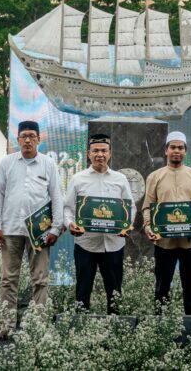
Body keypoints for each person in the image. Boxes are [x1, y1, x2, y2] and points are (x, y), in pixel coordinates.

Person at [0, 120, 64, 338]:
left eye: (32, 136)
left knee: (40, 280)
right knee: (8, 279)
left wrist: (56, 228)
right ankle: (7, 327)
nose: (28, 140)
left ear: (39, 139)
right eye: (24, 136)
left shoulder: (48, 164)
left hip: (39, 233)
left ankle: (38, 327)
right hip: (10, 228)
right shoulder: (7, 163)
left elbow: (57, 197)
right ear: (18, 140)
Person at [64, 133, 136, 314]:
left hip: (114, 244)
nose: (100, 155)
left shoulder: (120, 179)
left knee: (114, 291)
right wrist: (71, 224)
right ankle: (81, 329)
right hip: (85, 243)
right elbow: (67, 209)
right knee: (82, 290)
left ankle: (115, 329)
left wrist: (127, 224)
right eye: (95, 150)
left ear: (110, 153)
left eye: (104, 150)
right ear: (89, 154)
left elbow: (131, 207)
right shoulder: (78, 178)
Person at [143, 131, 191, 315]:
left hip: (190, 242)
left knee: (190, 285)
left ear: (185, 151)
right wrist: (149, 226)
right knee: (162, 287)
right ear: (166, 150)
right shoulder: (155, 177)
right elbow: (147, 207)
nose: (176, 151)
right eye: (173, 147)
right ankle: (160, 328)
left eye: (180, 148)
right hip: (164, 243)